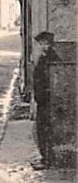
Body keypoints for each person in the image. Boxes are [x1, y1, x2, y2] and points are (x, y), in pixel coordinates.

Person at [32, 31, 54, 167]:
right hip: (42, 100)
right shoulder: (44, 57)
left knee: (45, 129)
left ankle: (47, 160)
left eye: (45, 44)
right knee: (41, 130)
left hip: (47, 101)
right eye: (41, 44)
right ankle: (44, 158)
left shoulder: (50, 59)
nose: (43, 46)